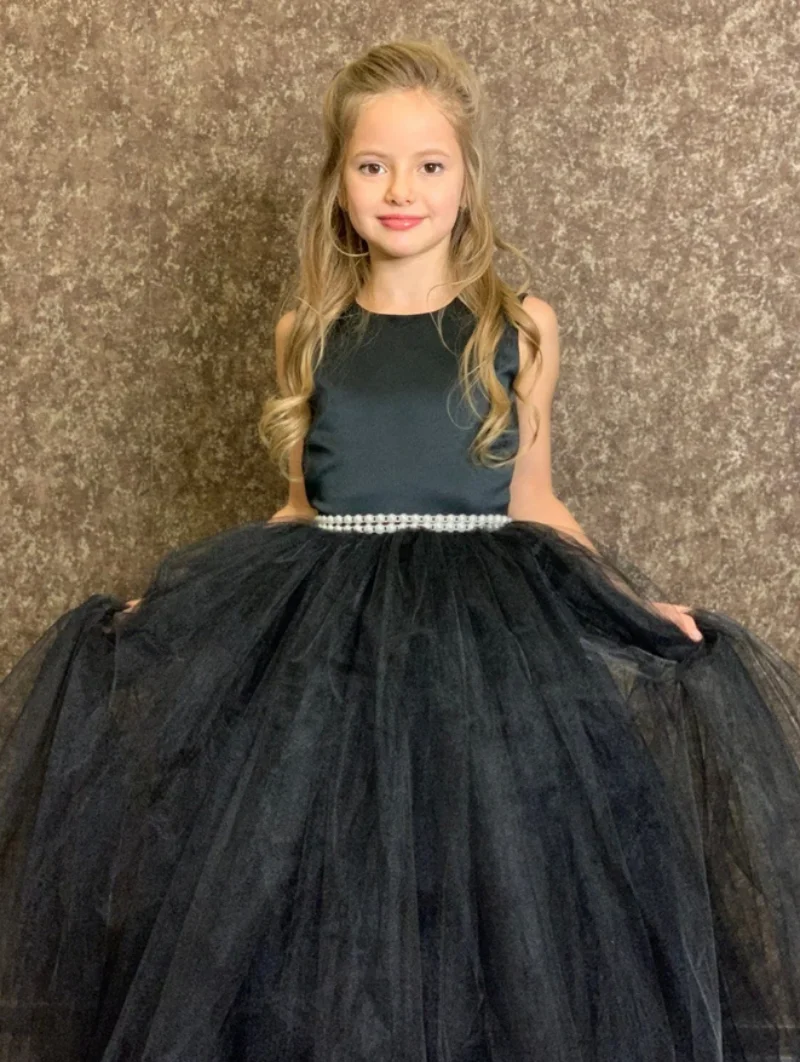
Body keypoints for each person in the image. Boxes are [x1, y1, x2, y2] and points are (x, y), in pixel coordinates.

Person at [1, 34, 799, 1062]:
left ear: (467, 181)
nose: (400, 190)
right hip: (329, 658)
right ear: (338, 185)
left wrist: (633, 610)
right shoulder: (308, 331)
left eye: (428, 165)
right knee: (318, 892)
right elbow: (300, 509)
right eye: (372, 165)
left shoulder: (519, 326)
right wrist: (175, 610)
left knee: (494, 890)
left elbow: (536, 501)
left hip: (483, 651)